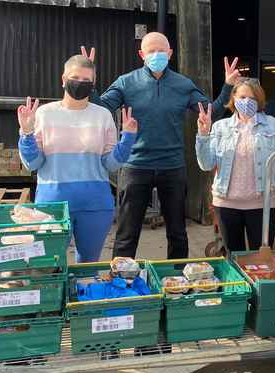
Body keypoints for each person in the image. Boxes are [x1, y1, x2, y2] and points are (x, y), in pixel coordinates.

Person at [80, 32, 241, 259]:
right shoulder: (127, 82)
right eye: (151, 50)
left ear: (170, 53)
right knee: (127, 232)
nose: (157, 55)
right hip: (136, 165)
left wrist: (227, 86)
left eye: (161, 50)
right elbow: (101, 108)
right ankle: (120, 279)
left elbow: (210, 111)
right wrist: (89, 81)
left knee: (177, 232)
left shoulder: (183, 85)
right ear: (141, 54)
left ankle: (176, 279)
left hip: (172, 166)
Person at [17, 55, 137, 263]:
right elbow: (32, 163)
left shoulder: (103, 115)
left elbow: (110, 164)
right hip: (52, 206)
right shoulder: (44, 114)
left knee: (88, 267)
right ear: (63, 79)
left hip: (95, 204)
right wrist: (26, 133)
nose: (80, 83)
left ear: (92, 85)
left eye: (86, 80)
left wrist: (127, 139)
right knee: (50, 264)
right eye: (75, 78)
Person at [195, 79, 275, 252]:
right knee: (233, 258)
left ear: (259, 101)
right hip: (226, 204)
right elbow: (206, 164)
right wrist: (203, 135)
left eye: (253, 98)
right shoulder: (221, 127)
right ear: (234, 97)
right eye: (242, 96)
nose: (247, 102)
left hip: (261, 204)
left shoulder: (272, 124)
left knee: (261, 259)